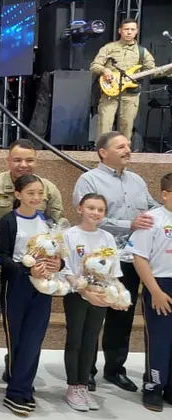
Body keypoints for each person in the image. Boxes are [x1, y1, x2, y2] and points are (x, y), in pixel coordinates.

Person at [72, 131, 159, 392]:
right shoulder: (88, 180)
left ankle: (114, 369)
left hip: (130, 259)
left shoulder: (137, 181)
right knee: (94, 316)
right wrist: (128, 224)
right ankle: (86, 369)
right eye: (121, 146)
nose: (127, 150)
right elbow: (90, 217)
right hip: (98, 260)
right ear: (103, 152)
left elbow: (152, 209)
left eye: (129, 146)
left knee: (122, 316)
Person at [0, 139, 64, 391]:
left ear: (36, 161)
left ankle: (16, 368)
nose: (23, 164)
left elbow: (57, 229)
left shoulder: (47, 189)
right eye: (17, 160)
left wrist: (55, 261)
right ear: (8, 161)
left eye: (29, 160)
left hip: (34, 270)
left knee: (25, 324)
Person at [0, 175, 62, 416]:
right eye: (31, 193)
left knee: (34, 340)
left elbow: (57, 253)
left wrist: (58, 264)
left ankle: (22, 387)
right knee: (18, 340)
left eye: (40, 193)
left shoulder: (48, 221)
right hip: (17, 286)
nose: (37, 198)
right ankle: (17, 391)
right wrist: (25, 268)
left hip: (42, 286)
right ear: (18, 194)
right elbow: (2, 256)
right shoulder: (8, 222)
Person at [59, 193, 116, 412]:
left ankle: (84, 385)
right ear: (80, 208)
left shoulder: (107, 238)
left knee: (92, 339)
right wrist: (83, 290)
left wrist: (112, 293)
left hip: (99, 293)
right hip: (76, 294)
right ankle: (72, 385)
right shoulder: (69, 235)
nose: (96, 213)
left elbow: (112, 269)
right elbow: (65, 268)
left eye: (100, 210)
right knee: (75, 338)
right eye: (91, 208)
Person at [127, 172, 172, 412]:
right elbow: (140, 258)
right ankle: (154, 386)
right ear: (164, 194)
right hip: (161, 285)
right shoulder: (152, 220)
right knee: (160, 340)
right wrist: (154, 291)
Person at [89, 18, 162, 139]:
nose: (129, 32)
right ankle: (102, 154)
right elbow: (94, 65)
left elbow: (153, 71)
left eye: (132, 29)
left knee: (127, 127)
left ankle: (123, 155)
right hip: (109, 92)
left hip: (130, 94)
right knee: (104, 126)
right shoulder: (109, 47)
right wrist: (105, 70)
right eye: (126, 29)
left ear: (136, 31)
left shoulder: (142, 52)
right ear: (120, 31)